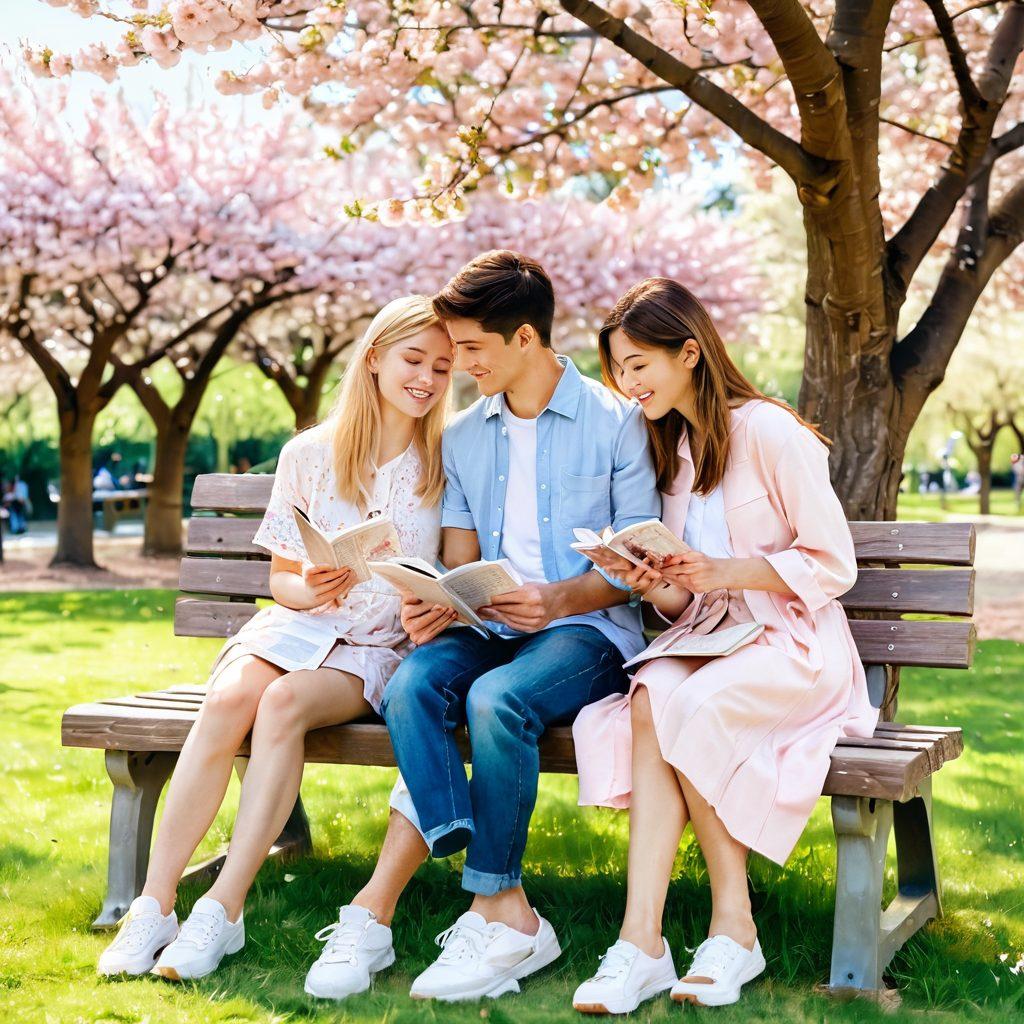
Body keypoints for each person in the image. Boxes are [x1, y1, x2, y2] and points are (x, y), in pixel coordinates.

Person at [299, 250, 659, 1003]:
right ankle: (480, 875)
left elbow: (634, 561)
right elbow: (460, 556)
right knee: (411, 684)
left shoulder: (617, 423)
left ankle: (493, 901)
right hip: (491, 624)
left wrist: (556, 600)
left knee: (498, 702)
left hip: (587, 630)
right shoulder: (465, 434)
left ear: (524, 340)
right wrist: (435, 597)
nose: (455, 365)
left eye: (470, 350)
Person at [96, 295, 454, 981]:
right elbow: (281, 578)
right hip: (299, 622)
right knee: (231, 698)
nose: (427, 379)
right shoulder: (311, 454)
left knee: (283, 704)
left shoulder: (441, 459)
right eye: (414, 360)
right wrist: (310, 585)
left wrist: (427, 600)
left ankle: (223, 909)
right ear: (374, 358)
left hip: (375, 645)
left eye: (441, 368)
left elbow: (445, 566)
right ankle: (155, 903)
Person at [570, 278, 879, 1013]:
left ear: (690, 352)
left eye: (639, 363)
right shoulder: (672, 450)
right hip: (714, 636)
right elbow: (688, 596)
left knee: (694, 706)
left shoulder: (770, 431)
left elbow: (834, 563)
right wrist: (649, 580)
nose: (627, 382)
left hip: (793, 643)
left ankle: (733, 927)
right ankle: (640, 941)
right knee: (650, 696)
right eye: (618, 368)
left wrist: (725, 571)